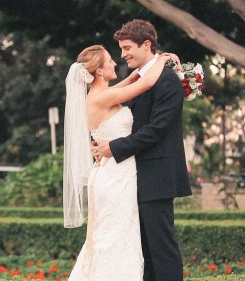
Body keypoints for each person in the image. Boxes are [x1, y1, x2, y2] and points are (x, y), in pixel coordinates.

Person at [63, 44, 179, 281]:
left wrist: (143, 69)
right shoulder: (104, 97)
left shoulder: (100, 94)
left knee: (114, 237)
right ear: (99, 71)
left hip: (113, 173)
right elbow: (144, 85)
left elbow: (132, 81)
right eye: (109, 61)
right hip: (115, 178)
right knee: (114, 240)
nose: (116, 62)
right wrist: (162, 59)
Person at [91, 19, 192, 281]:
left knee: (161, 248)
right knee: (144, 250)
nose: (123, 55)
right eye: (121, 49)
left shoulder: (167, 79)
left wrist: (113, 147)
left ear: (146, 45)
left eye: (127, 48)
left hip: (157, 176)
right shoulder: (142, 78)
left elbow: (156, 130)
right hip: (134, 177)